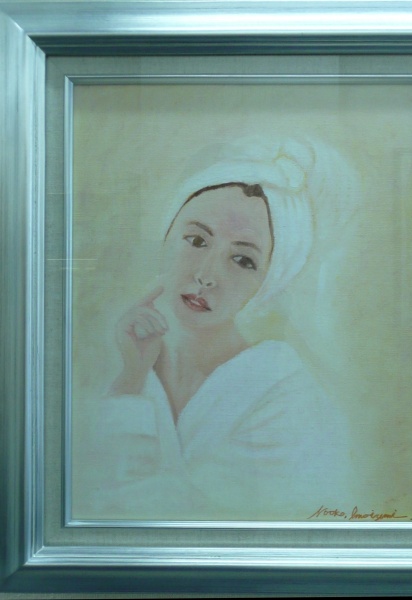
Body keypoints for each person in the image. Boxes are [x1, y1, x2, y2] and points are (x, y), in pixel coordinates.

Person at [85, 137, 357, 521]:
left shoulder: (290, 401)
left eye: (242, 260)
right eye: (196, 240)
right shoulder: (127, 361)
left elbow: (173, 519)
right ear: (167, 237)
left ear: (269, 283)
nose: (206, 274)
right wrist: (132, 376)